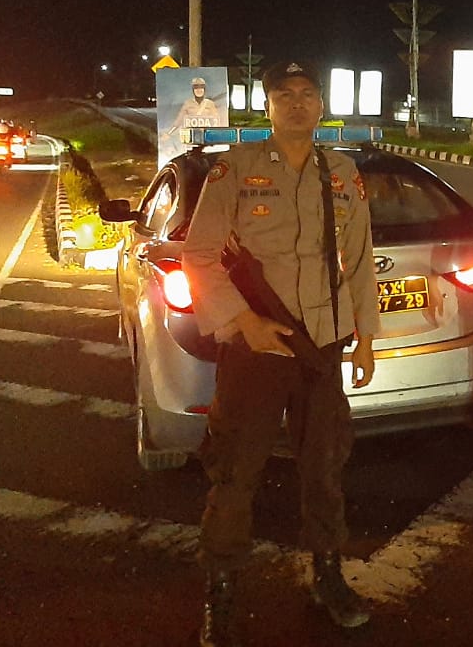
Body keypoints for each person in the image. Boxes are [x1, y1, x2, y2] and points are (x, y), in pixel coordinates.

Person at [181, 59, 379, 643]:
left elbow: (360, 260)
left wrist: (365, 339)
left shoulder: (341, 172)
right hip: (257, 346)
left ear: (320, 104)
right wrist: (245, 322)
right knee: (236, 470)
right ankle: (220, 590)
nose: (297, 103)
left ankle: (328, 575)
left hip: (322, 345)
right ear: (267, 105)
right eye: (284, 94)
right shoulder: (235, 169)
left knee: (324, 467)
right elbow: (199, 256)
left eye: (307, 93)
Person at [164, 76, 223, 141]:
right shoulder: (188, 103)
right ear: (193, 90)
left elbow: (216, 121)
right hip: (192, 137)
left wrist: (217, 136)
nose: (199, 90)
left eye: (201, 87)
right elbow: (178, 121)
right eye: (196, 88)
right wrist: (168, 133)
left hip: (206, 137)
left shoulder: (210, 104)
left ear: (204, 89)